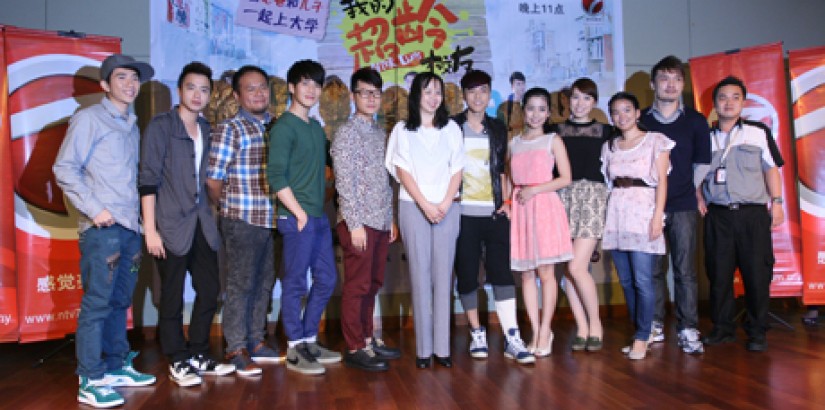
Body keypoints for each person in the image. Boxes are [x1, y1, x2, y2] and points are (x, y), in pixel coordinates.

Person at [53, 53, 157, 408]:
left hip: (129, 227)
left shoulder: (132, 123)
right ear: (104, 85)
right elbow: (65, 168)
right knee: (97, 304)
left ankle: (114, 366)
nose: (131, 85)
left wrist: (141, 224)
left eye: (135, 79)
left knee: (119, 302)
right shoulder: (89, 119)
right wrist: (95, 210)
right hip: (103, 230)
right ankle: (90, 378)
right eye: (122, 78)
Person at [140, 62, 235, 387]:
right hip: (169, 224)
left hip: (203, 223)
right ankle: (177, 359)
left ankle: (199, 352)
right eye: (191, 87)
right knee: (172, 296)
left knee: (210, 290)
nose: (198, 95)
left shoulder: (209, 130)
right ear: (180, 90)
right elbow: (148, 181)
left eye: (204, 89)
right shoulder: (161, 126)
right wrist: (150, 229)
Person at [452, 70, 534, 365]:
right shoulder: (452, 127)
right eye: (471, 91)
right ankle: (477, 332)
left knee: (501, 273)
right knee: (467, 274)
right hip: (461, 214)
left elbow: (504, 169)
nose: (477, 97)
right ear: (463, 95)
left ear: (489, 95)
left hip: (495, 211)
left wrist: (509, 200)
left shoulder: (498, 128)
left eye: (483, 91)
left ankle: (512, 335)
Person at [698, 76, 784, 352]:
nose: (729, 102)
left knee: (757, 274)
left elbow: (771, 169)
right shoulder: (705, 138)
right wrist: (699, 199)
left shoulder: (758, 132)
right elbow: (694, 176)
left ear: (743, 102)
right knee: (719, 275)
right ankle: (723, 329)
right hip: (718, 216)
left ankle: (757, 331)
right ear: (714, 104)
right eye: (723, 97)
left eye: (735, 97)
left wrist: (778, 202)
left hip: (752, 215)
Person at [385, 72, 465, 369]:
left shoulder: (452, 129)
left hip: (448, 207)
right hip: (413, 206)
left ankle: (443, 348)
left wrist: (443, 203)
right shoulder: (402, 130)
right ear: (416, 95)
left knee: (444, 277)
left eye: (438, 92)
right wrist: (425, 204)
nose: (433, 97)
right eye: (427, 91)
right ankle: (423, 349)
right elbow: (402, 172)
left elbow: (457, 169)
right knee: (419, 276)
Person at [267, 59, 341, 375]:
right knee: (295, 283)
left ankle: (310, 338)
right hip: (296, 217)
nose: (311, 90)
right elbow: (276, 176)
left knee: (327, 279)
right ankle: (295, 347)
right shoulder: (284, 126)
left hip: (318, 217)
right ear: (293, 87)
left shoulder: (314, 128)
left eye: (316, 84)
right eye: (305, 83)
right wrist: (297, 212)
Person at [207, 65, 280, 376]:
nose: (259, 93)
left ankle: (256, 340)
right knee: (240, 284)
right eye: (251, 88)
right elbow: (213, 179)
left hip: (271, 218)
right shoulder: (230, 129)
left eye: (262, 87)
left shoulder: (275, 127)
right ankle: (235, 346)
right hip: (241, 217)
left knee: (264, 283)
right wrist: (227, 208)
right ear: (237, 95)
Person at [639, 56, 711, 355]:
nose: (670, 85)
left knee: (685, 271)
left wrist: (689, 189)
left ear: (683, 84)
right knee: (652, 270)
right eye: (664, 78)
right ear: (653, 83)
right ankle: (654, 324)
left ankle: (688, 328)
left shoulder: (695, 120)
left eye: (676, 79)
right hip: (647, 206)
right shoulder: (641, 119)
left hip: (682, 205)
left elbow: (703, 162)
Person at [331, 67, 400, 372]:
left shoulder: (379, 132)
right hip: (358, 223)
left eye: (376, 93)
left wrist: (391, 218)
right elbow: (344, 182)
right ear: (353, 95)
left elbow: (384, 181)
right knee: (357, 286)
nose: (371, 98)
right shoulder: (346, 133)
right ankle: (355, 345)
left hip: (380, 220)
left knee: (373, 284)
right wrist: (354, 223)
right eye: (365, 92)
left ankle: (369, 339)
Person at [601, 92, 674, 360]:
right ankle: (638, 332)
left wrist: (658, 216)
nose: (622, 116)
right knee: (628, 281)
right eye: (616, 112)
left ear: (637, 113)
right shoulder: (609, 145)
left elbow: (662, 183)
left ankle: (644, 335)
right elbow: (609, 183)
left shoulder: (655, 141)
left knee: (644, 279)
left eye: (627, 110)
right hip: (618, 212)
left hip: (644, 211)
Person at [509, 87, 573, 357]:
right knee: (525, 275)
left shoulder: (552, 140)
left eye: (541, 109)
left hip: (544, 205)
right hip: (521, 209)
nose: (535, 114)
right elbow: (507, 177)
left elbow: (565, 178)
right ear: (523, 111)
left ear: (548, 113)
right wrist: (508, 202)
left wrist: (534, 190)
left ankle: (546, 330)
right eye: (531, 108)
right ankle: (534, 330)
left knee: (546, 274)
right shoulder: (514, 142)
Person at [549, 78, 611, 352]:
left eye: (587, 98)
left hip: (593, 198)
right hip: (561, 198)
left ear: (594, 102)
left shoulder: (606, 132)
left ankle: (595, 324)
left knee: (577, 266)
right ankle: (582, 328)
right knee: (568, 269)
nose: (580, 103)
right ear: (567, 100)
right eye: (575, 97)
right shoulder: (555, 131)